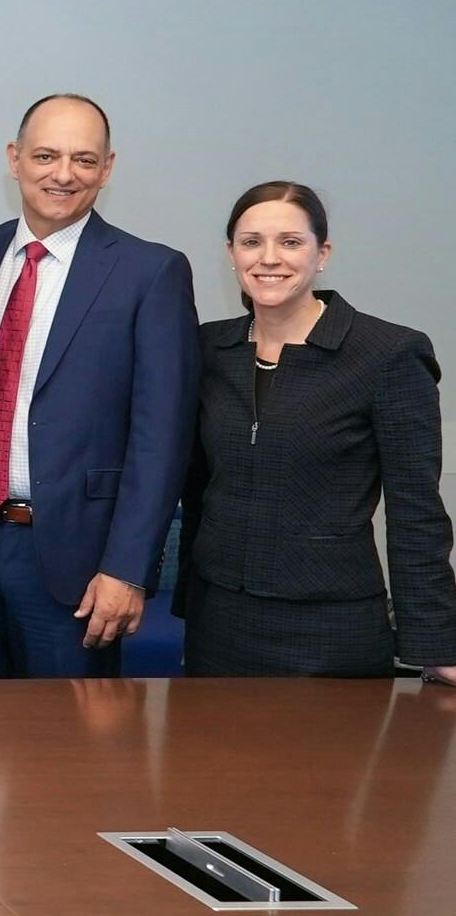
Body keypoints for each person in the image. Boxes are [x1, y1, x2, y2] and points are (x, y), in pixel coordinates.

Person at [0, 94, 197, 679]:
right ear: (14, 158)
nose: (63, 174)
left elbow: (162, 440)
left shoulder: (149, 272)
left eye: (84, 159)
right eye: (46, 155)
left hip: (74, 563)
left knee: (69, 756)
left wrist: (128, 569)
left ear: (107, 169)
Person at [178, 182, 453, 681]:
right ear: (231, 254)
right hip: (218, 624)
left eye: (290, 242)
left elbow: (417, 512)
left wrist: (436, 641)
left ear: (322, 253)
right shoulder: (208, 349)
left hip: (332, 629)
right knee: (211, 762)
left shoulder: (387, 354)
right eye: (251, 242)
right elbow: (195, 487)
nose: (269, 258)